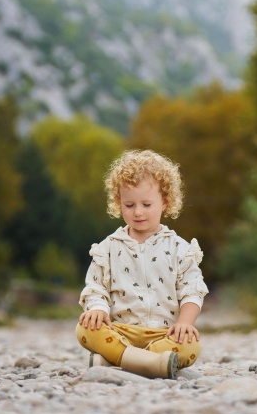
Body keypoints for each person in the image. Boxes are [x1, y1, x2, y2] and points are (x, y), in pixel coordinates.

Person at [75, 149, 209, 379]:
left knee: (191, 346)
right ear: (119, 202)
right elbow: (95, 287)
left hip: (163, 334)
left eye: (147, 204)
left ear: (165, 202)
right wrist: (97, 309)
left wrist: (185, 323)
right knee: (85, 330)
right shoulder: (108, 248)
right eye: (129, 205)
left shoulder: (179, 248)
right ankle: (150, 363)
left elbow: (192, 290)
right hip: (120, 331)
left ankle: (116, 359)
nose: (138, 212)